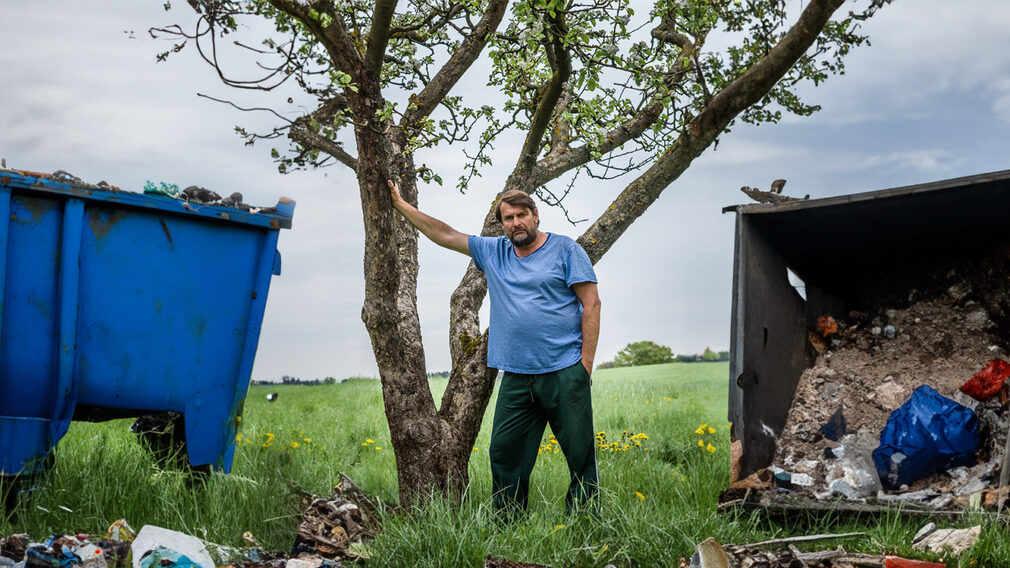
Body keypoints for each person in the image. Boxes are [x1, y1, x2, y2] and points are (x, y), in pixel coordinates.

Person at [387, 180, 601, 515]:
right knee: (504, 454)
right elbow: (446, 234)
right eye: (508, 218)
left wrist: (584, 364)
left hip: (563, 371)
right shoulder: (494, 252)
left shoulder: (565, 250)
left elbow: (592, 304)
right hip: (516, 377)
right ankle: (508, 523)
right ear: (501, 224)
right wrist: (402, 206)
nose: (516, 222)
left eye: (522, 215)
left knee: (580, 455)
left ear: (535, 215)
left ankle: (585, 519)